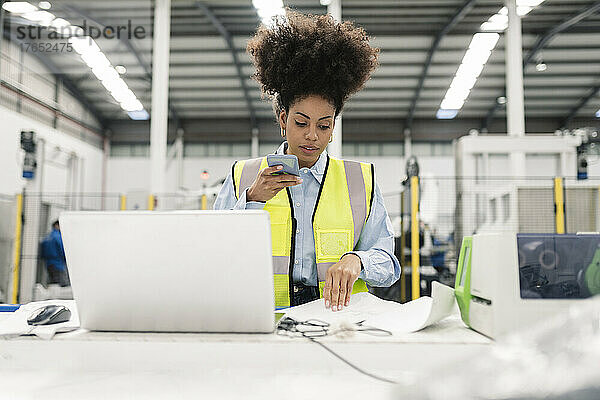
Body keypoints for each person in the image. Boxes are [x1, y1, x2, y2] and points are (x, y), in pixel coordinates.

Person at [214, 10, 400, 311]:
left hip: (338, 320)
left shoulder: (360, 180)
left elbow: (388, 264)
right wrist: (251, 200)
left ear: (333, 127)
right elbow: (213, 250)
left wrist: (358, 260)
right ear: (283, 118)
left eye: (323, 125)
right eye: (301, 123)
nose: (312, 135)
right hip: (265, 317)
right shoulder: (244, 176)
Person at [40, 220, 70, 287]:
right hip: (58, 264)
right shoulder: (58, 237)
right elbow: (63, 250)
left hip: (49, 264)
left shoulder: (47, 237)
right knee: (62, 286)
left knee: (53, 284)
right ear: (57, 226)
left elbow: (43, 252)